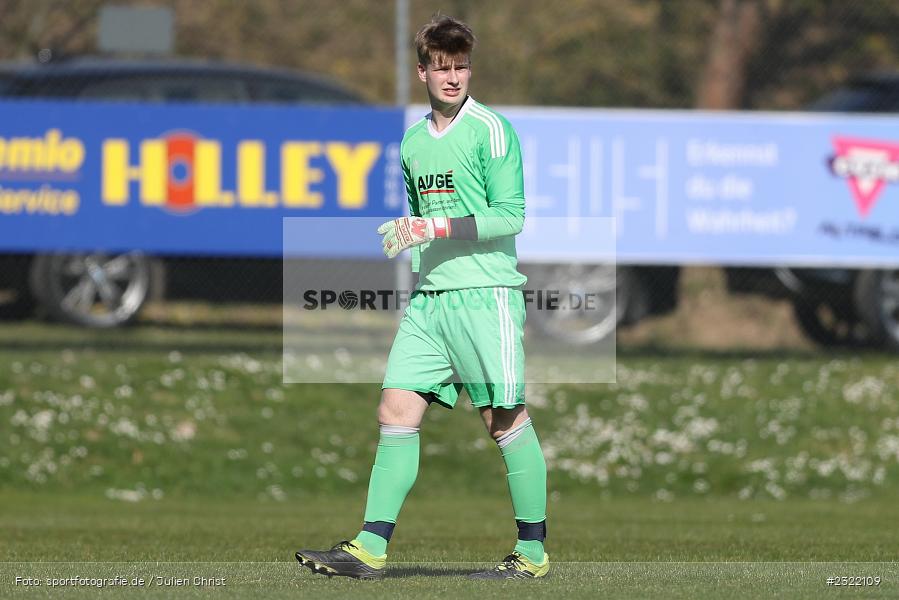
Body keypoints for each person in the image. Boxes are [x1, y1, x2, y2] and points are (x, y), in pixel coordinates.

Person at [295, 14, 549, 580]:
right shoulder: (411, 143)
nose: (453, 77)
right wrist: (409, 230)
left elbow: (511, 216)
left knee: (503, 420)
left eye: (461, 67)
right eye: (442, 67)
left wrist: (433, 228)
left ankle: (532, 555)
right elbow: (424, 215)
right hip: (431, 301)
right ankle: (369, 547)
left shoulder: (493, 131)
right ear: (422, 71)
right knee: (395, 409)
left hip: (486, 295)